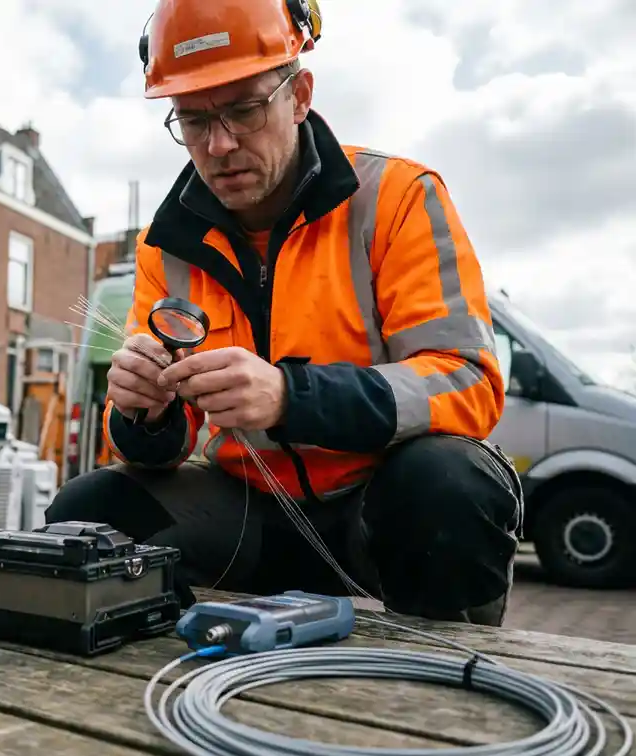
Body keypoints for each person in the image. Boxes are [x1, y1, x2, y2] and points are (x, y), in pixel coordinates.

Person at [45, 0, 523, 626]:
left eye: (244, 109)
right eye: (192, 120)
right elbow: (162, 446)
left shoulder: (399, 199)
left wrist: (291, 396)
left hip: (380, 511)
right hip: (248, 515)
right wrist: (144, 412)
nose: (218, 145)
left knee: (451, 485)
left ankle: (455, 686)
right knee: (90, 513)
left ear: (299, 95)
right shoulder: (165, 247)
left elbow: (467, 380)